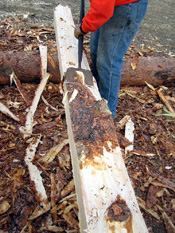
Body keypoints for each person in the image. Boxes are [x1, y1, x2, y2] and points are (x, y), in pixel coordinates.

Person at [74, 0, 148, 118]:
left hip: (125, 6)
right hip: (109, 4)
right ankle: (95, 95)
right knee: (96, 52)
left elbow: (102, 8)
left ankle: (107, 114)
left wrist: (84, 27)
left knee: (108, 62)